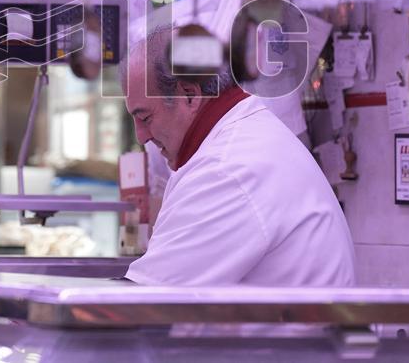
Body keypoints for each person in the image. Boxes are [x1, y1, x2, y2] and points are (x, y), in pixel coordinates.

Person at [120, 25, 356, 287]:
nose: (141, 137)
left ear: (189, 95)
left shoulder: (226, 169)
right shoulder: (236, 140)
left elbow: (146, 301)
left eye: (145, 118)